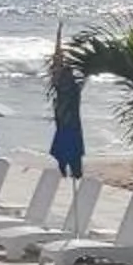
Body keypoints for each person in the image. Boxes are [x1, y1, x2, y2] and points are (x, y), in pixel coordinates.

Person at [49, 53, 85, 182]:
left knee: (72, 156)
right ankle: (66, 174)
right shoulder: (62, 89)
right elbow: (55, 74)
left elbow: (56, 77)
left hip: (70, 125)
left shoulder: (74, 90)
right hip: (65, 125)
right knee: (64, 156)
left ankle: (74, 175)